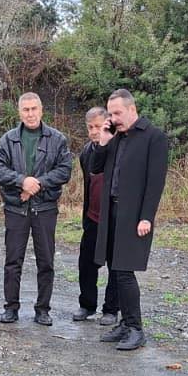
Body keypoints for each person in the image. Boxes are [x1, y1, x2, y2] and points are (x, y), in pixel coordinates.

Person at [86, 88, 169, 351]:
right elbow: (95, 168)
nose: (114, 118)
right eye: (111, 113)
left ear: (132, 109)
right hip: (111, 214)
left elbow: (155, 183)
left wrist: (147, 217)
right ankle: (124, 323)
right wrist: (104, 139)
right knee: (114, 269)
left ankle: (135, 328)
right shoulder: (116, 138)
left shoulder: (153, 138)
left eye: (117, 113)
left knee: (124, 272)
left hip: (134, 216)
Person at [0, 92, 72, 325]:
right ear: (19, 112)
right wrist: (21, 181)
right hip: (16, 210)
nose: (30, 114)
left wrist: (37, 184)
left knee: (46, 261)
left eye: (34, 109)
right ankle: (11, 308)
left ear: (41, 110)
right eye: (25, 110)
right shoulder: (8, 139)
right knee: (13, 260)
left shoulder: (57, 139)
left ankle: (43, 309)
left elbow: (64, 170)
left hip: (45, 209)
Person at [74, 106, 118, 324]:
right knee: (86, 263)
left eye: (98, 126)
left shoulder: (119, 148)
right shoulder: (86, 152)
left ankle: (111, 310)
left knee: (116, 265)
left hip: (115, 218)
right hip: (92, 217)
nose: (93, 131)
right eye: (90, 127)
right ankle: (87, 305)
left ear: (108, 124)